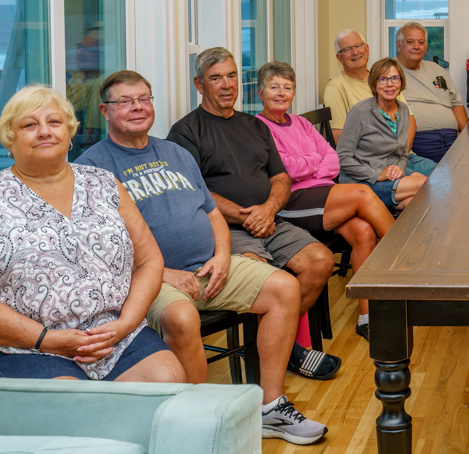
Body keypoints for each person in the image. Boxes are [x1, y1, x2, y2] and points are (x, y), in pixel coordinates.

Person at [78, 71, 327, 445]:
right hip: (150, 278)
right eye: (125, 101)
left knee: (284, 287)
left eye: (144, 99)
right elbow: (97, 247)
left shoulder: (175, 153)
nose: (137, 108)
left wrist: (223, 256)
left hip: (209, 266)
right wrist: (165, 274)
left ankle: (271, 408)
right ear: (104, 110)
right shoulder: (91, 167)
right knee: (181, 317)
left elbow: (212, 213)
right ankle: (198, 425)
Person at [0, 85, 183, 383]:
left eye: (54, 122)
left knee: (169, 379)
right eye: (29, 125)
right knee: (69, 400)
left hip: (111, 333)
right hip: (13, 346)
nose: (44, 131)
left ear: (69, 132)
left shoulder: (104, 183)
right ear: (10, 138)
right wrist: (45, 339)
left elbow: (149, 262)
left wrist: (125, 324)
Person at [167, 47, 340, 381]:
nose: (227, 85)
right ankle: (288, 352)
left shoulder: (254, 125)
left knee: (320, 260)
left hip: (271, 221)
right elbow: (194, 190)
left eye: (232, 76)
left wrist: (269, 209)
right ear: (199, 84)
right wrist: (246, 217)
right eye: (216, 78)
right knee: (264, 278)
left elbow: (281, 178)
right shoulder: (186, 132)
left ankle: (277, 344)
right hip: (225, 230)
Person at [255, 60, 396, 339]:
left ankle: (366, 318)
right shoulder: (259, 128)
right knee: (362, 193)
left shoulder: (302, 123)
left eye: (287, 87)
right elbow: (286, 169)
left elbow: (332, 158)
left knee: (364, 232)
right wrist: (313, 161)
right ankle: (406, 261)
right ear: (260, 92)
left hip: (325, 193)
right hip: (293, 202)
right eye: (274, 87)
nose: (281, 93)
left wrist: (309, 165)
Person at [338, 59, 429, 215]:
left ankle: (390, 216)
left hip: (391, 174)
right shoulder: (360, 111)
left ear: (401, 82)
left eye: (395, 78)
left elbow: (403, 153)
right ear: (374, 83)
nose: (390, 84)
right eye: (383, 79)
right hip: (363, 180)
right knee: (428, 186)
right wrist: (377, 174)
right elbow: (342, 158)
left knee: (417, 202)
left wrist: (400, 168)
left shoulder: (403, 110)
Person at [395, 22, 467, 162]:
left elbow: (456, 105)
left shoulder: (437, 69)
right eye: (410, 42)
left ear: (426, 46)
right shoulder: (389, 72)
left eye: (421, 42)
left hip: (452, 142)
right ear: (399, 45)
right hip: (418, 144)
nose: (416, 46)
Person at [325, 29, 403, 144]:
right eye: (347, 49)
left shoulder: (385, 78)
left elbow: (409, 119)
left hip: (402, 150)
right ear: (339, 58)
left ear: (367, 49)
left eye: (358, 45)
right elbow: (338, 137)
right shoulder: (335, 88)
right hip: (369, 154)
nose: (355, 52)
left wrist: (402, 150)